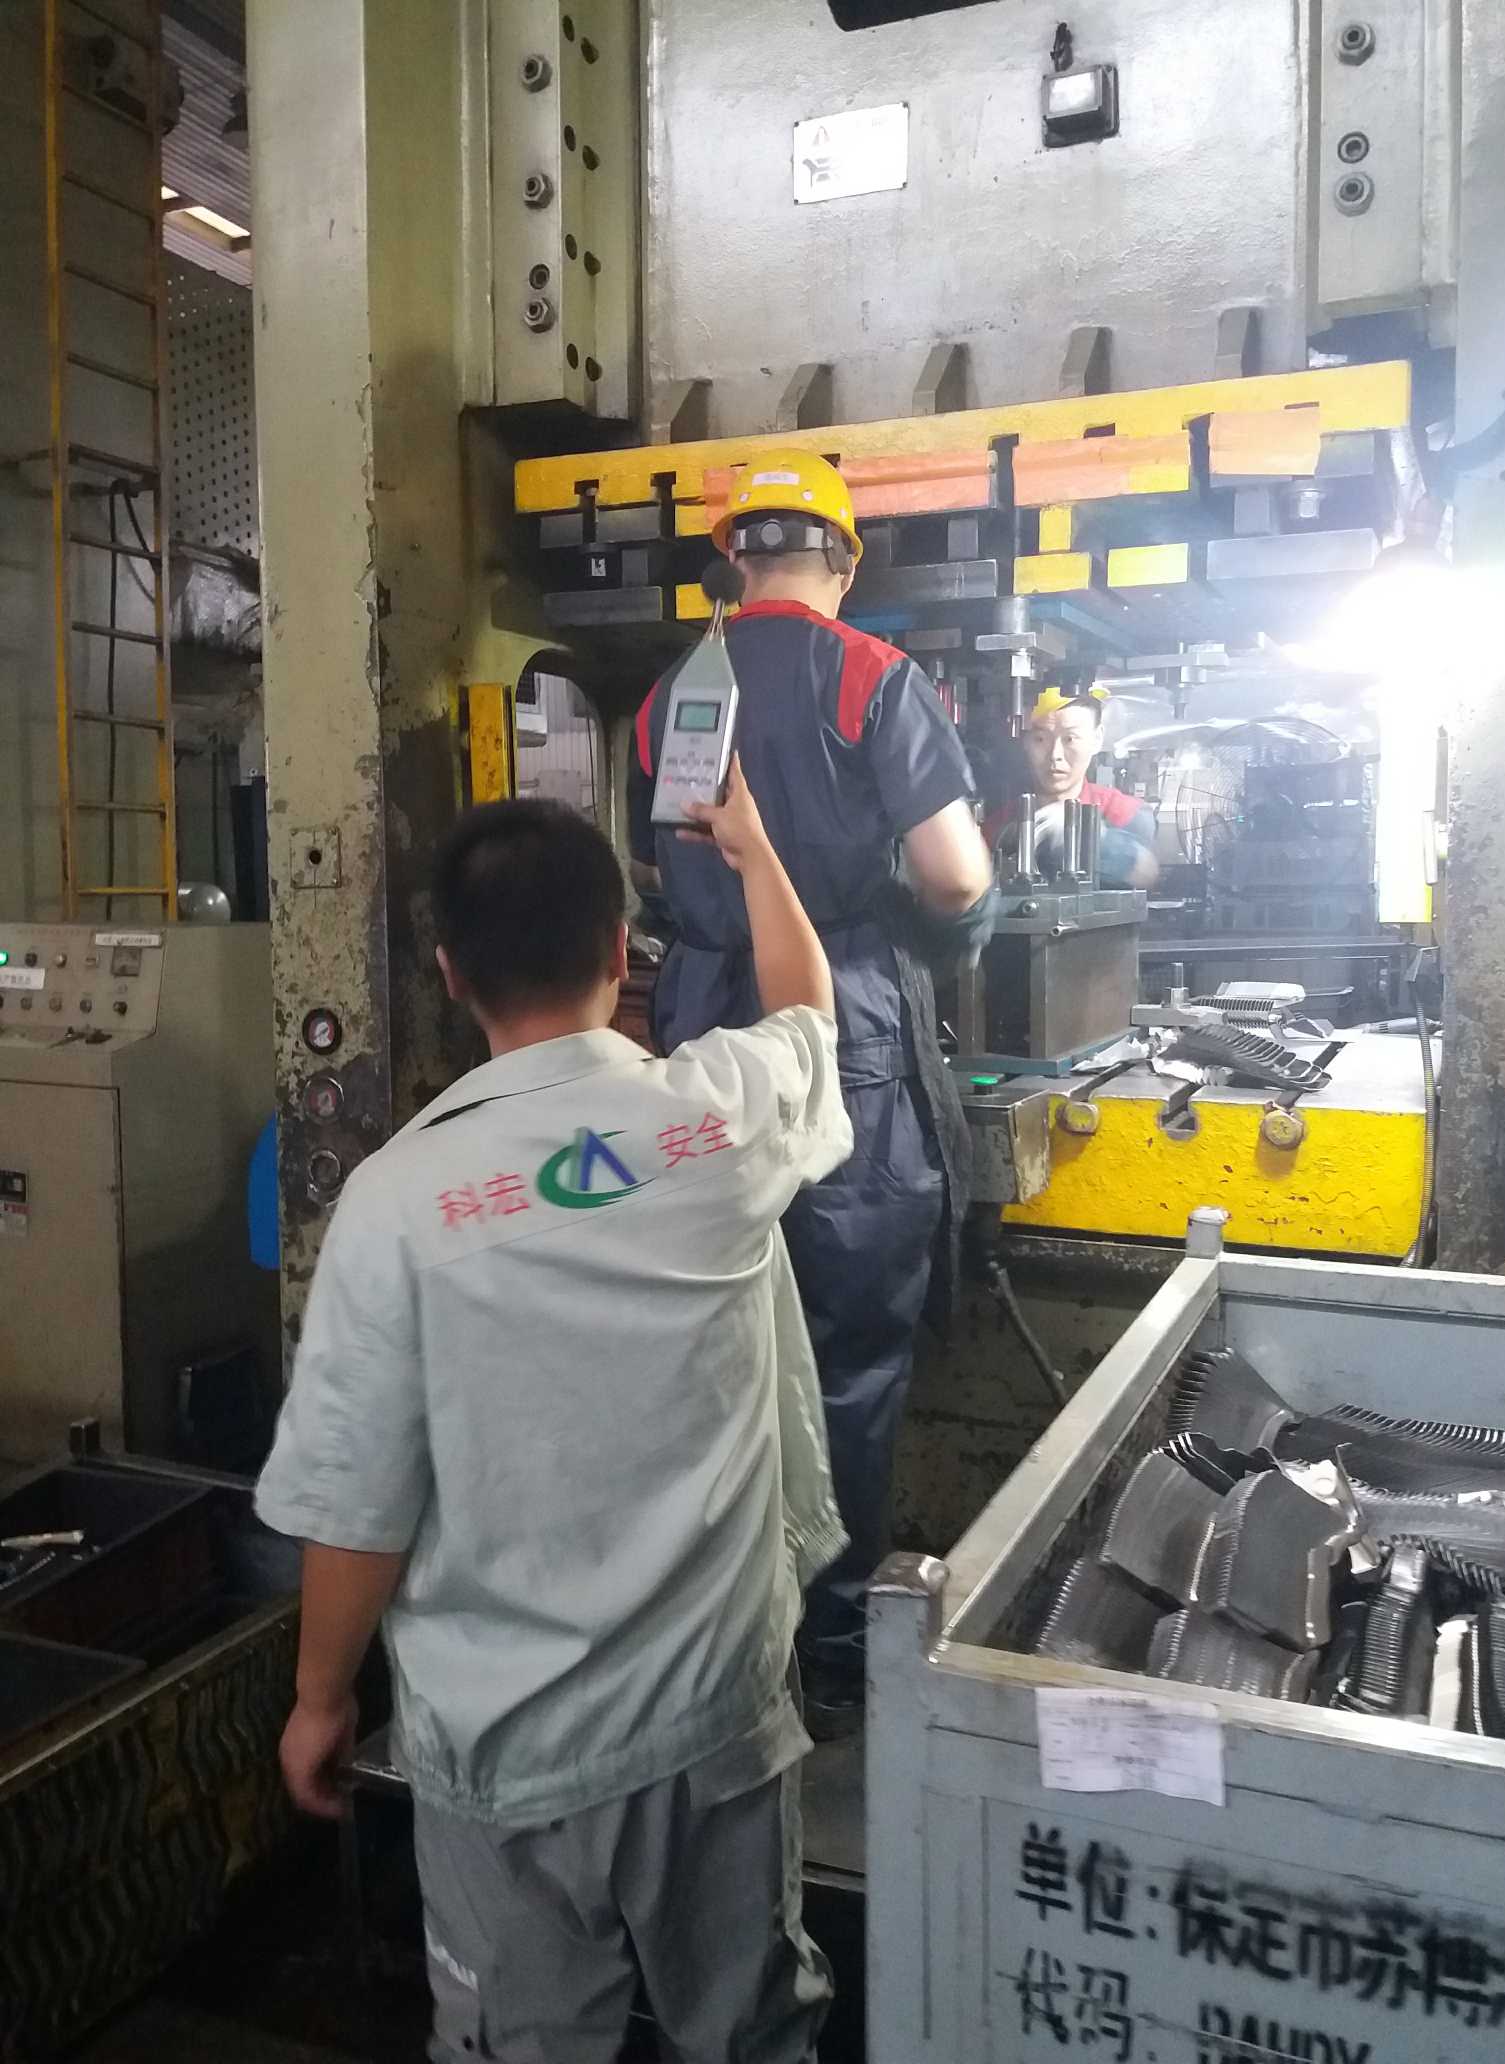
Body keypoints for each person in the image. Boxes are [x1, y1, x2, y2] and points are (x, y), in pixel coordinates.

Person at [255, 772, 854, 2064]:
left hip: (506, 1750)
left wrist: (318, 1699)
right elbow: (810, 1015)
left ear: (450, 974)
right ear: (620, 954)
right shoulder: (713, 1120)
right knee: (748, 2031)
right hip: (712, 1715)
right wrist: (752, 853)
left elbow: (359, 1503)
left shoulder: (394, 1205)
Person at [628, 447, 994, 1732]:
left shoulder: (670, 693)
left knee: (712, 1340)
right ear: (844, 558)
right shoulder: (871, 677)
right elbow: (955, 876)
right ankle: (831, 1661)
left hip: (701, 1026)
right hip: (843, 1026)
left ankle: (722, 1642)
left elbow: (665, 870)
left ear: (734, 558)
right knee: (844, 1354)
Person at [985, 685, 1160, 888]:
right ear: (1025, 742)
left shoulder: (1124, 812)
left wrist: (1088, 838)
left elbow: (1147, 874)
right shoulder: (999, 824)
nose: (1055, 755)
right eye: (1040, 739)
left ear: (1097, 739)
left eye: (1070, 739)